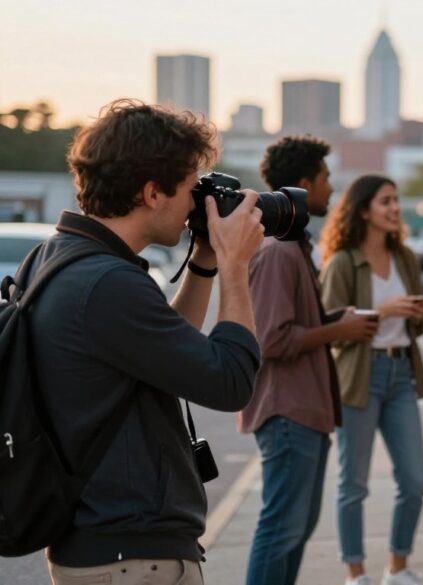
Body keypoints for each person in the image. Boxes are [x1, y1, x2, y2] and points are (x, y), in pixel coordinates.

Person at [32, 99, 265, 584]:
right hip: (132, 557)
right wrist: (237, 267)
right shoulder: (106, 284)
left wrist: (204, 262)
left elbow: (165, 354)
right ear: (153, 192)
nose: (194, 204)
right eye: (187, 188)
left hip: (104, 545)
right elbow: (228, 382)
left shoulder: (62, 258)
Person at [240, 136, 380, 585]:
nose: (331, 188)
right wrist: (338, 330)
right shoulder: (279, 252)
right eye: (325, 179)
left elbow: (295, 324)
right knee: (281, 530)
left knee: (295, 531)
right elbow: (271, 339)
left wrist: (337, 319)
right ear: (304, 183)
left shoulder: (293, 246)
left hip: (305, 413)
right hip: (287, 413)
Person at [319, 175, 423, 585]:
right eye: (386, 201)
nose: (395, 208)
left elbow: (422, 322)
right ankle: (356, 575)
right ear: (364, 209)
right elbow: (328, 326)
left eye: (397, 201)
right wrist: (380, 312)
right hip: (359, 377)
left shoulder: (405, 258)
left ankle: (397, 569)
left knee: (415, 481)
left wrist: (417, 315)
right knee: (354, 484)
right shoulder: (343, 262)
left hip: (401, 373)